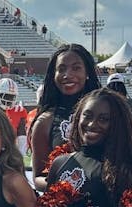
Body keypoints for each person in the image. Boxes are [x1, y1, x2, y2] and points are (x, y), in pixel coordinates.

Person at [30, 44, 101, 190]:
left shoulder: (110, 111)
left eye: (76, 68)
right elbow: (38, 178)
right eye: (61, 69)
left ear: (87, 71)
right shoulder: (45, 122)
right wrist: (66, 187)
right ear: (53, 75)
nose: (67, 75)